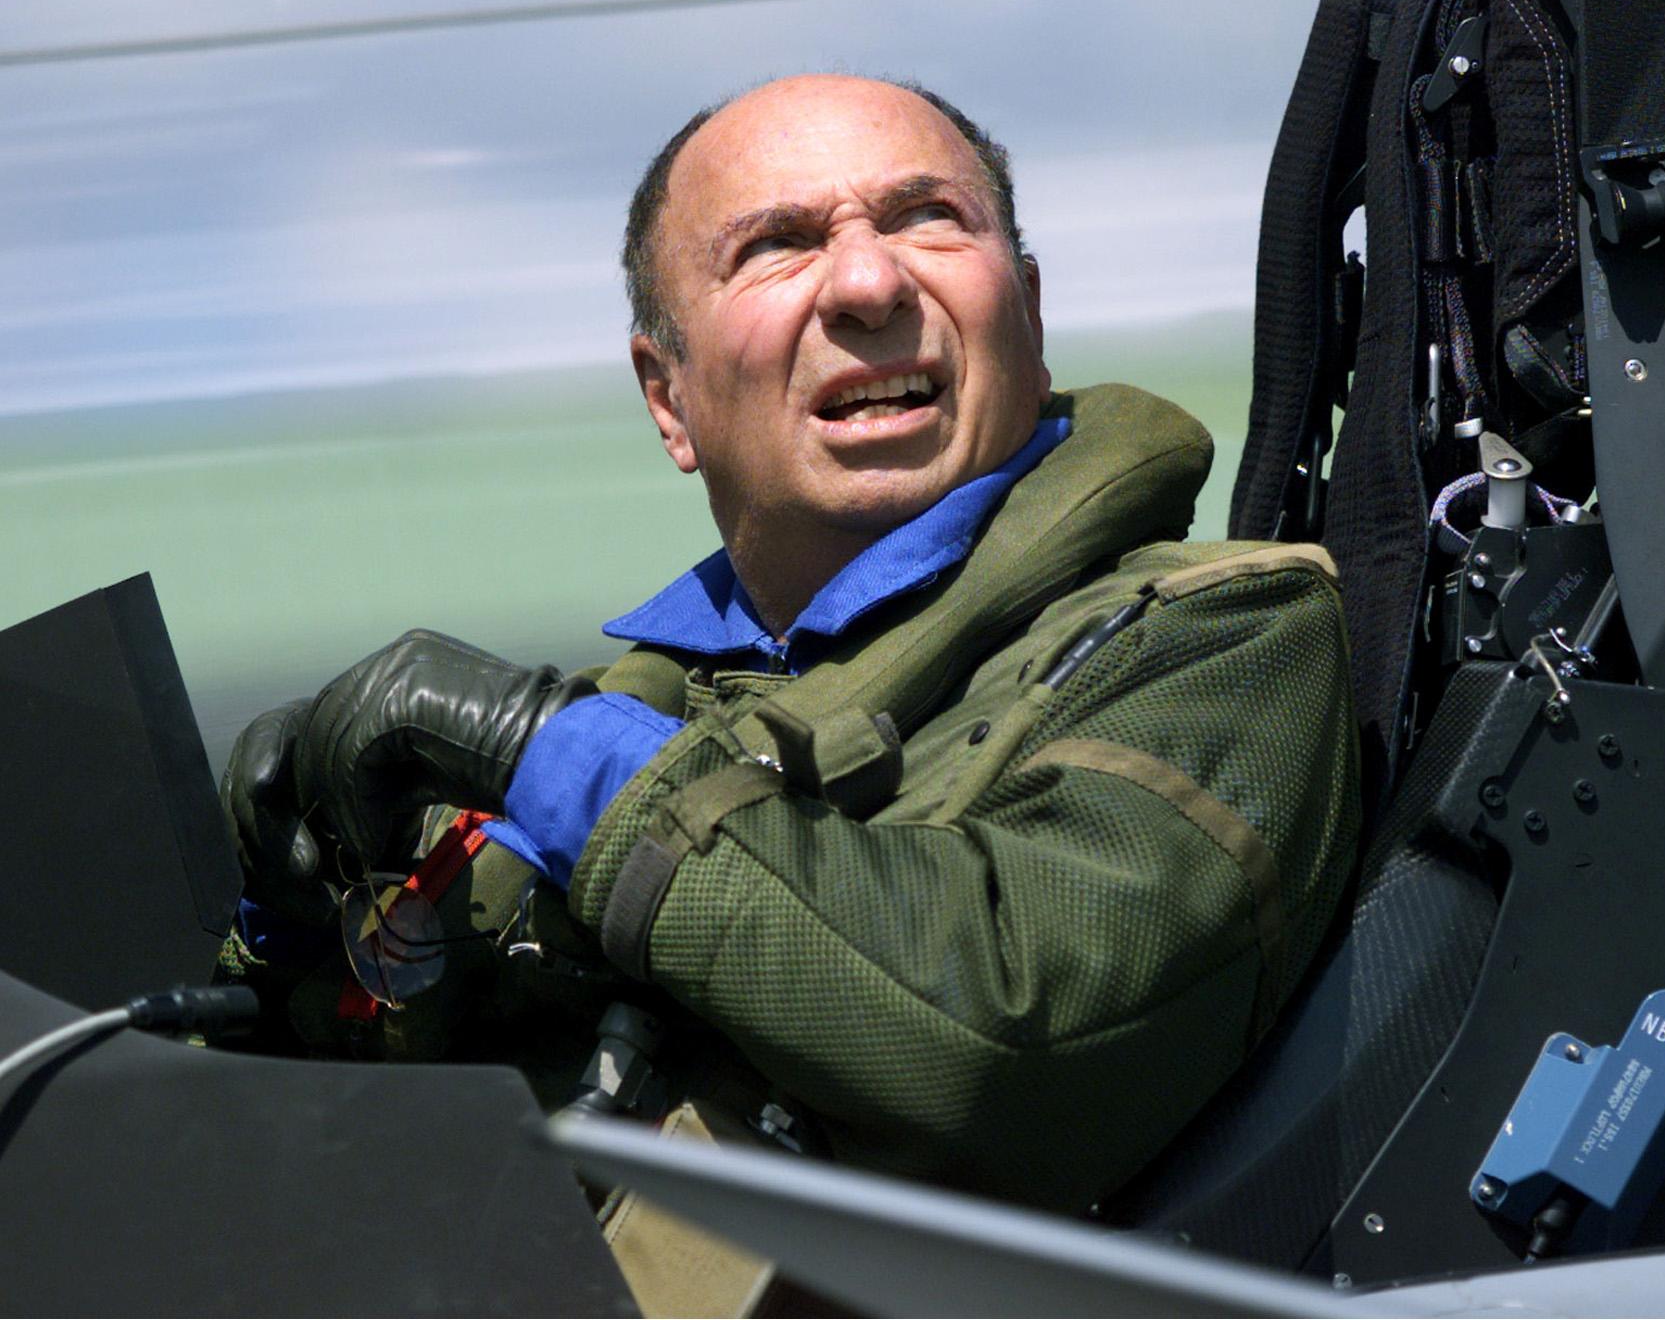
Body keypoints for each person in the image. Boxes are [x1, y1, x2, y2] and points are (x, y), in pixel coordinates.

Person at [223, 74, 1362, 1216]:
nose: (870, 282)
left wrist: (544, 747)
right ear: (666, 400)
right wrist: (296, 928)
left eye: (928, 218)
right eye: (776, 244)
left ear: (1027, 310)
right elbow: (312, 1155)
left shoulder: (1216, 638)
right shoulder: (639, 724)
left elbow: (1004, 1034)